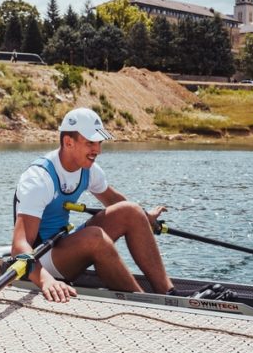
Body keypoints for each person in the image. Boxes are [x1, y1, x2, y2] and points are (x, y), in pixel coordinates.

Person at [11, 107, 175, 303]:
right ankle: (143, 302)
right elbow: (19, 247)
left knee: (131, 210)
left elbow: (116, 202)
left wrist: (144, 218)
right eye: (90, 143)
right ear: (68, 142)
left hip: (62, 242)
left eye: (99, 143)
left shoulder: (89, 170)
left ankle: (168, 293)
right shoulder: (39, 179)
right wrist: (46, 280)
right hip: (41, 259)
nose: (97, 150)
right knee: (95, 237)